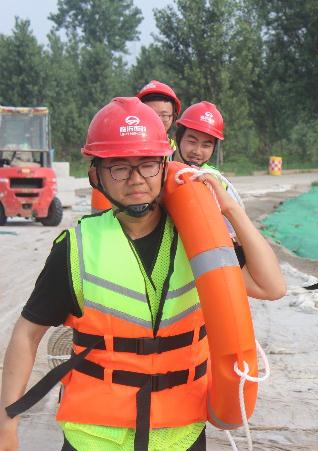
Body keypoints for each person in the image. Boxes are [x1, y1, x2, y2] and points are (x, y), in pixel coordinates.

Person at [0, 97, 286, 451]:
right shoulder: (77, 247)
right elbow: (27, 335)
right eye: (119, 167)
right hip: (94, 437)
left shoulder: (197, 241)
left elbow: (271, 286)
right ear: (97, 175)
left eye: (148, 165)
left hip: (179, 435)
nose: (136, 180)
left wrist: (229, 208)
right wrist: (6, 425)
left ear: (164, 166)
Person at [173, 101, 242, 236]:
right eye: (192, 142)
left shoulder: (217, 182)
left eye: (206, 145)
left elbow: (234, 231)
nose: (197, 151)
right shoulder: (157, 169)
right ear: (177, 138)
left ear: (214, 148)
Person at [136, 80, 182, 149]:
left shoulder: (178, 153)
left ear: (173, 118)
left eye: (164, 116)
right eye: (150, 115)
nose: (157, 122)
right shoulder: (126, 151)